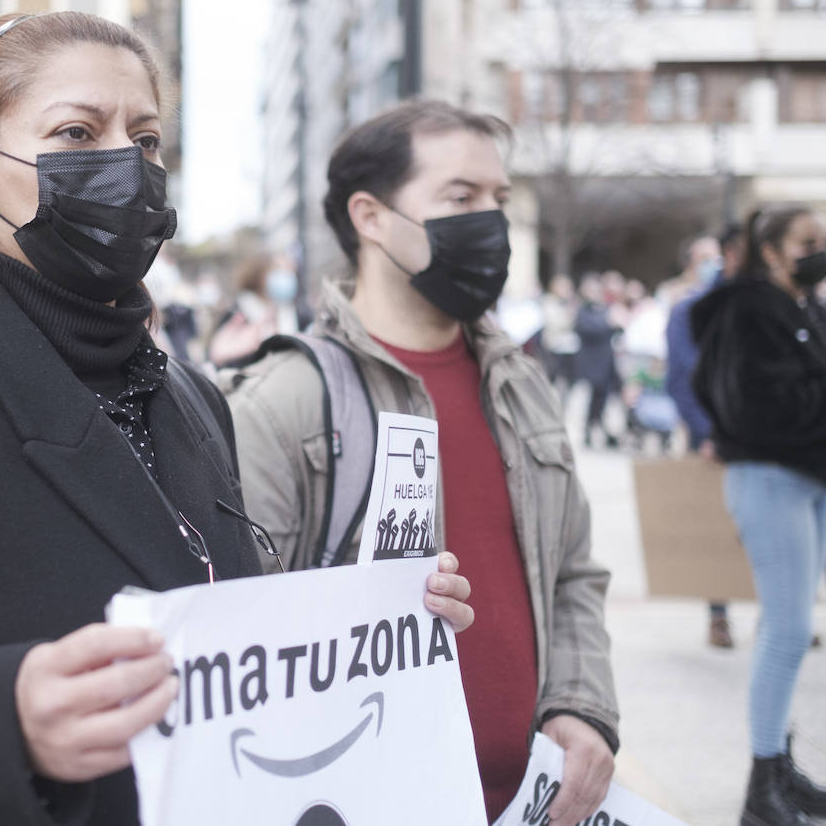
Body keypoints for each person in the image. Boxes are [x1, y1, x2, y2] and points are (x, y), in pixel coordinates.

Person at [0, 12, 475, 826]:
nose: (122, 166)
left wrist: (366, 630)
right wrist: (3, 719)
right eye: (75, 131)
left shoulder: (196, 400)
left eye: (144, 140)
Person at [225, 99, 618, 826]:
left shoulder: (520, 382)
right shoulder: (285, 401)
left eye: (499, 199)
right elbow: (242, 638)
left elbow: (574, 574)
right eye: (461, 198)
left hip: (532, 800)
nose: (491, 222)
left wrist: (582, 707)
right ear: (370, 217)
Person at [692, 203, 826, 826]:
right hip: (771, 477)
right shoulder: (747, 310)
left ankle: (780, 764)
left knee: (793, 631)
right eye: (808, 241)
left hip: (806, 477)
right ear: (771, 250)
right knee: (788, 628)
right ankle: (762, 782)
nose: (819, 250)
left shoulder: (804, 307)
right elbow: (750, 403)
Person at [665, 226, 744, 649]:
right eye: (706, 258)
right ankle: (719, 614)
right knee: (715, 525)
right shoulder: (687, 310)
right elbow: (681, 378)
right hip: (710, 435)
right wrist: (705, 433)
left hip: (750, 436)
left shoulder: (741, 305)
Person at [206, 252, 311, 367]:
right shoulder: (237, 316)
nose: (286, 275)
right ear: (258, 274)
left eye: (290, 269)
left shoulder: (298, 314)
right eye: (278, 268)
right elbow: (218, 360)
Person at [574, 274, 622, 449]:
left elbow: (617, 329)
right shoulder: (583, 310)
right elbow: (586, 329)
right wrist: (608, 324)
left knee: (603, 398)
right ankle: (589, 428)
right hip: (591, 361)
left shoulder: (606, 309)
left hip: (606, 360)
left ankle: (600, 427)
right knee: (591, 398)